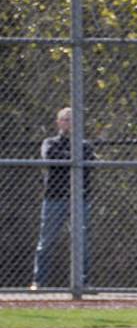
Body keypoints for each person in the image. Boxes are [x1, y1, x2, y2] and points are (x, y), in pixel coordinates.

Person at [31, 107, 94, 288]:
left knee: (81, 241)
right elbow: (50, 156)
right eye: (65, 119)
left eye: (72, 120)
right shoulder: (50, 142)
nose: (69, 123)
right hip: (54, 198)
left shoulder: (84, 144)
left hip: (80, 199)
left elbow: (89, 160)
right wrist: (73, 159)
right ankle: (39, 282)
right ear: (59, 122)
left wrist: (70, 159)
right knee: (46, 241)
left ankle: (82, 283)